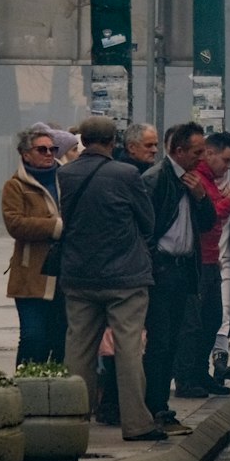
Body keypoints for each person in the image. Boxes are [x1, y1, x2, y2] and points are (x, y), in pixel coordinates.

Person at [58, 116, 166, 443]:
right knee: (129, 348)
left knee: (78, 347)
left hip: (79, 274)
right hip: (125, 276)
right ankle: (136, 423)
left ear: (84, 139)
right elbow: (148, 221)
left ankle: (72, 422)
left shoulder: (65, 174)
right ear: (113, 141)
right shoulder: (127, 174)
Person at [142, 122, 216, 436]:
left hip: (183, 269)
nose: (202, 158)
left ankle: (160, 406)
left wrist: (200, 197)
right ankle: (154, 407)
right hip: (163, 268)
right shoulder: (157, 179)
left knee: (174, 339)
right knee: (160, 342)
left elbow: (208, 222)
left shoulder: (191, 180)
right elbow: (144, 226)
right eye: (197, 152)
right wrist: (153, 265)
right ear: (178, 151)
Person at [174, 130, 230, 398]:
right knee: (194, 324)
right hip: (198, 260)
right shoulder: (197, 179)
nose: (228, 166)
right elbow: (208, 217)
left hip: (211, 261)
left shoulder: (213, 181)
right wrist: (229, 203)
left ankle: (200, 373)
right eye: (225, 160)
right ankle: (187, 377)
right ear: (210, 153)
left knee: (212, 318)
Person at [2, 126, 68, 367]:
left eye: (53, 149)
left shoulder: (66, 178)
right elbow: (15, 224)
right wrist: (56, 227)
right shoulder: (16, 185)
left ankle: (55, 394)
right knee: (33, 337)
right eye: (42, 149)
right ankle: (26, 391)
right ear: (25, 153)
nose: (49, 153)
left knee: (59, 339)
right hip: (31, 274)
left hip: (64, 273)